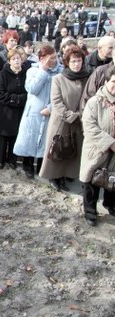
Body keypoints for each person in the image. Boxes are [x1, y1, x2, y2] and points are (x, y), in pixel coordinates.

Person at [39, 46, 89, 191]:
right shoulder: (58, 79)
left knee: (72, 149)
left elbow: (87, 99)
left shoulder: (85, 78)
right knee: (57, 148)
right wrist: (69, 115)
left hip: (78, 121)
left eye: (79, 61)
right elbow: (56, 101)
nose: (76, 64)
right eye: (73, 61)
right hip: (61, 121)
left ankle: (66, 176)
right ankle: (53, 177)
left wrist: (80, 115)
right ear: (67, 62)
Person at [13, 45, 63, 178]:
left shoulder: (60, 72)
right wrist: (43, 71)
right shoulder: (32, 71)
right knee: (30, 138)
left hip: (51, 112)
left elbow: (63, 94)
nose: (54, 60)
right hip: (34, 112)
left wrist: (51, 107)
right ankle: (27, 165)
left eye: (55, 57)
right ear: (42, 58)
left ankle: (42, 167)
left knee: (46, 141)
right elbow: (33, 89)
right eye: (50, 58)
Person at [80, 65, 115, 226]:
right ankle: (90, 211)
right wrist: (110, 143)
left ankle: (110, 205)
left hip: (113, 155)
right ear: (107, 81)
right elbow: (90, 127)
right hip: (96, 150)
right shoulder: (95, 101)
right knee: (92, 181)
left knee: (111, 182)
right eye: (113, 81)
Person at [0, 48, 28, 170]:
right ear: (9, 61)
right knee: (4, 136)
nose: (16, 61)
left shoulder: (27, 73)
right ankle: (1, 160)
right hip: (5, 110)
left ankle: (13, 160)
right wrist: (15, 99)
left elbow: (29, 92)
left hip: (20, 110)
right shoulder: (2, 74)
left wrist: (21, 99)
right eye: (13, 59)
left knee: (16, 135)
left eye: (18, 58)